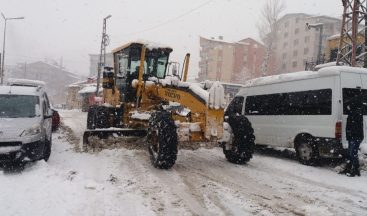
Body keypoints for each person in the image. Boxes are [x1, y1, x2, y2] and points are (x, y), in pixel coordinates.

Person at [339, 96, 363, 177]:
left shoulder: (356, 113)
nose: (347, 106)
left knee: (353, 154)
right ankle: (349, 168)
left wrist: (352, 136)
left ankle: (355, 170)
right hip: (353, 137)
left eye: (349, 105)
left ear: (353, 105)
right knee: (350, 153)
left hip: (355, 137)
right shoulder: (353, 113)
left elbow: (355, 127)